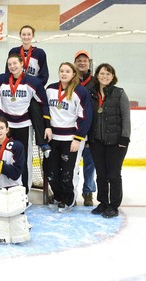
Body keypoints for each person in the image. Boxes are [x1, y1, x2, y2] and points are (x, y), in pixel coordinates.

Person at [0, 53, 51, 193]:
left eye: (15, 63)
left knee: (25, 161)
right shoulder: (1, 80)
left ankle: (24, 192)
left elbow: (43, 103)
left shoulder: (33, 82)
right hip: (5, 127)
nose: (12, 66)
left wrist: (48, 126)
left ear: (22, 64)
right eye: (9, 64)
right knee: (1, 156)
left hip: (24, 126)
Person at [44, 62, 93, 212]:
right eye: (61, 71)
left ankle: (68, 199)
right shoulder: (51, 89)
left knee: (68, 171)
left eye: (67, 71)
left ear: (73, 74)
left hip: (71, 139)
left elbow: (85, 116)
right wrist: (47, 126)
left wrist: (78, 138)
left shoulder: (80, 92)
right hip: (53, 138)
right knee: (50, 169)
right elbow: (45, 109)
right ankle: (58, 196)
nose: (64, 73)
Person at [89, 63, 131, 218]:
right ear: (97, 75)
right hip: (96, 141)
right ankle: (103, 203)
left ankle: (113, 205)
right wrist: (89, 137)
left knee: (113, 174)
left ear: (113, 76)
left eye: (108, 74)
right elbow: (89, 117)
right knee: (101, 174)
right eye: (102, 73)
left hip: (116, 142)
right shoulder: (92, 93)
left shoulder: (119, 93)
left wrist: (124, 138)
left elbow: (126, 117)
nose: (104, 76)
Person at [7, 25, 51, 157]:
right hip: (17, 90)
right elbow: (8, 71)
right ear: (20, 36)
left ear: (33, 36)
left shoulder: (40, 53)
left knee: (36, 108)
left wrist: (33, 88)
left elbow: (44, 75)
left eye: (28, 34)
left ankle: (42, 143)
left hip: (32, 91)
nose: (26, 37)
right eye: (23, 34)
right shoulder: (14, 51)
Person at [74, 50, 97, 206]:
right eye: (79, 60)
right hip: (73, 132)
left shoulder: (96, 82)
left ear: (89, 63)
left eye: (85, 60)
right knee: (72, 166)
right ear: (75, 63)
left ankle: (88, 192)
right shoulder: (70, 80)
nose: (82, 63)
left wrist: (92, 134)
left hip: (91, 131)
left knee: (90, 165)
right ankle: (71, 193)